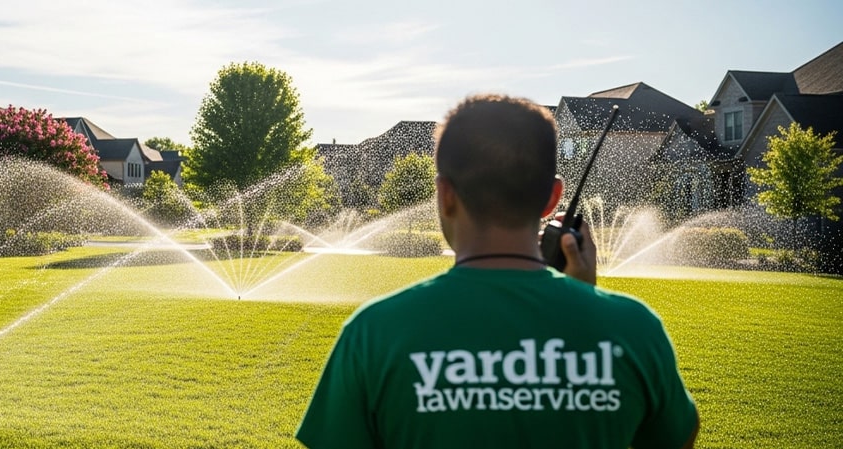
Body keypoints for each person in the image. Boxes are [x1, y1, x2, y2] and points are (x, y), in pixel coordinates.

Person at [296, 94, 698, 448]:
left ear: (445, 194)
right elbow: (677, 439)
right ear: (552, 198)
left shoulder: (372, 333)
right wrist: (585, 306)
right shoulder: (632, 327)